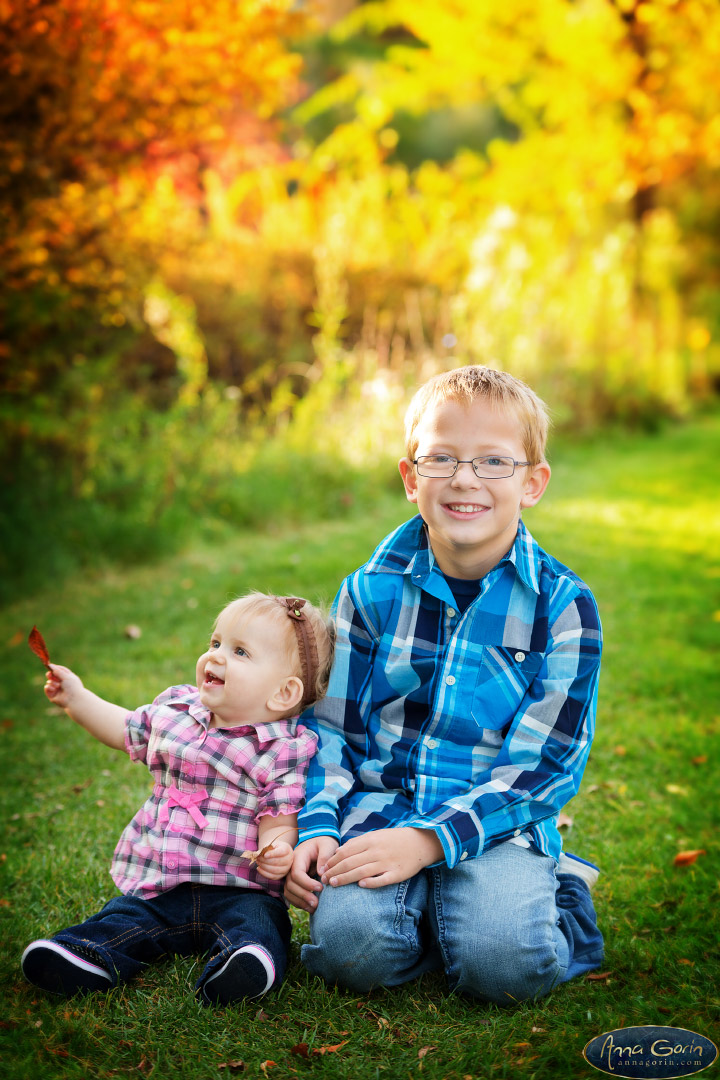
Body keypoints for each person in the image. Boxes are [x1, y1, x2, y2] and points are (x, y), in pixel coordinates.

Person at [285, 365, 604, 1005]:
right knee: (349, 952)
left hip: (499, 825)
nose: (465, 479)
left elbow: (544, 769)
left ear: (532, 483)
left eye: (494, 462)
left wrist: (430, 842)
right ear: (411, 477)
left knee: (504, 970)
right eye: (443, 459)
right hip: (383, 809)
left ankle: (555, 897)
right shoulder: (369, 591)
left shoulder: (562, 607)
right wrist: (317, 826)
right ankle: (437, 912)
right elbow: (328, 732)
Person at [22, 592, 334, 1005]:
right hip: (162, 885)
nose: (216, 657)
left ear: (282, 693)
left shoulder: (283, 749)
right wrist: (77, 698)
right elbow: (123, 728)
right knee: (126, 918)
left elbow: (280, 815)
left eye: (240, 651)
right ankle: (83, 955)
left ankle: (242, 966)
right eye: (215, 642)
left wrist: (276, 849)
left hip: (241, 889)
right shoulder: (176, 711)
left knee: (258, 924)